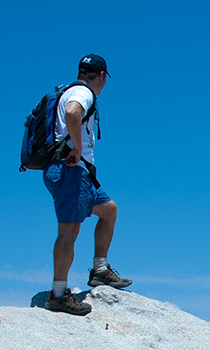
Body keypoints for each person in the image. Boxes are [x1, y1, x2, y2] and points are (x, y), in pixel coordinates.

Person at [43, 53, 132, 316]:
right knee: (69, 232)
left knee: (109, 209)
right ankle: (58, 295)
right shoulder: (83, 93)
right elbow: (73, 112)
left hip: (78, 173)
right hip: (70, 170)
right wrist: (77, 146)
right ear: (102, 76)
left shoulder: (69, 89)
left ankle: (100, 271)